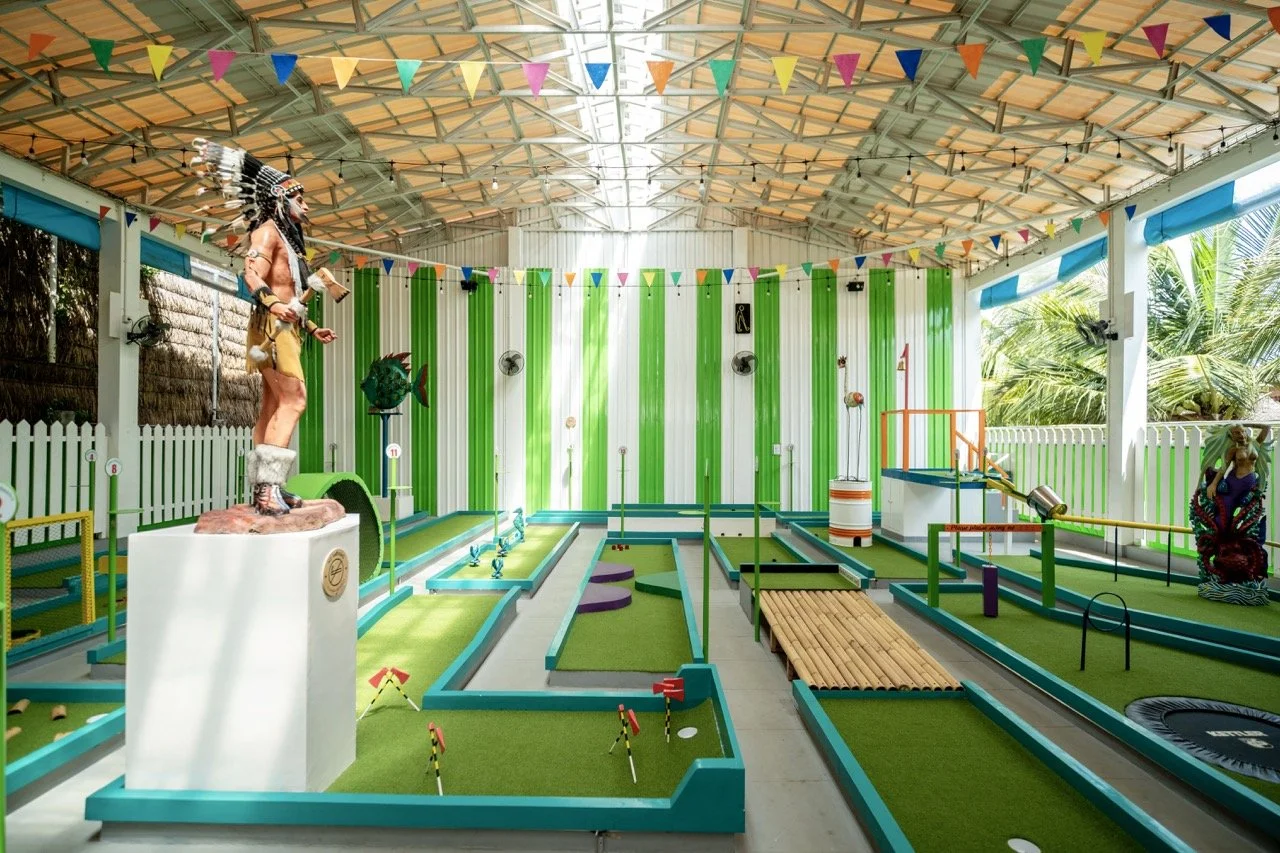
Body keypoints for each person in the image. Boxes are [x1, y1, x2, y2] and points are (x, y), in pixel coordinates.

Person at [193, 139, 344, 516]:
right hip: (271, 326)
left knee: (272, 404)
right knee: (295, 400)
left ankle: (266, 489)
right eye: (299, 198)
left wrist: (311, 329)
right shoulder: (267, 232)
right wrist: (276, 305)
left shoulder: (288, 240)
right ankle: (267, 489)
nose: (306, 206)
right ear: (280, 198)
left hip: (282, 327)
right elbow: (251, 273)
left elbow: (291, 294)